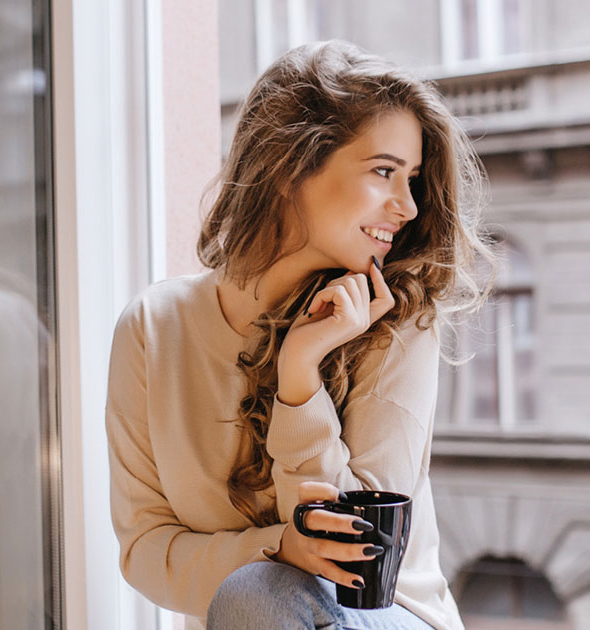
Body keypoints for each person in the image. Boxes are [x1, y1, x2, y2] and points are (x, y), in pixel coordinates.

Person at [106, 40, 496, 630]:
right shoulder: (152, 329)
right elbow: (146, 550)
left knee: (261, 594)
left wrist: (298, 379)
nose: (409, 206)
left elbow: (359, 557)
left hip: (388, 616)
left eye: (412, 179)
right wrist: (279, 549)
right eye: (384, 172)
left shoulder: (396, 321)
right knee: (258, 592)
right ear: (290, 165)